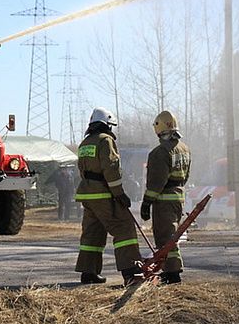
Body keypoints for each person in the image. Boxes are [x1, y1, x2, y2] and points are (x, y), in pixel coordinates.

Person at [74, 107, 142, 286]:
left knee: (92, 232)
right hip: (103, 194)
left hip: (88, 195)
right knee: (123, 227)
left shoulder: (85, 143)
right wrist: (120, 194)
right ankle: (131, 271)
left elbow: (82, 170)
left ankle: (88, 272)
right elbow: (111, 169)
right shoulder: (105, 141)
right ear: (106, 125)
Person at [140, 110, 191, 284]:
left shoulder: (159, 152)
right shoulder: (184, 149)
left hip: (164, 201)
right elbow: (186, 176)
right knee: (172, 235)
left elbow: (156, 182)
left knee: (165, 237)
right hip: (179, 198)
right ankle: (171, 269)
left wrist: (146, 203)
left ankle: (172, 272)